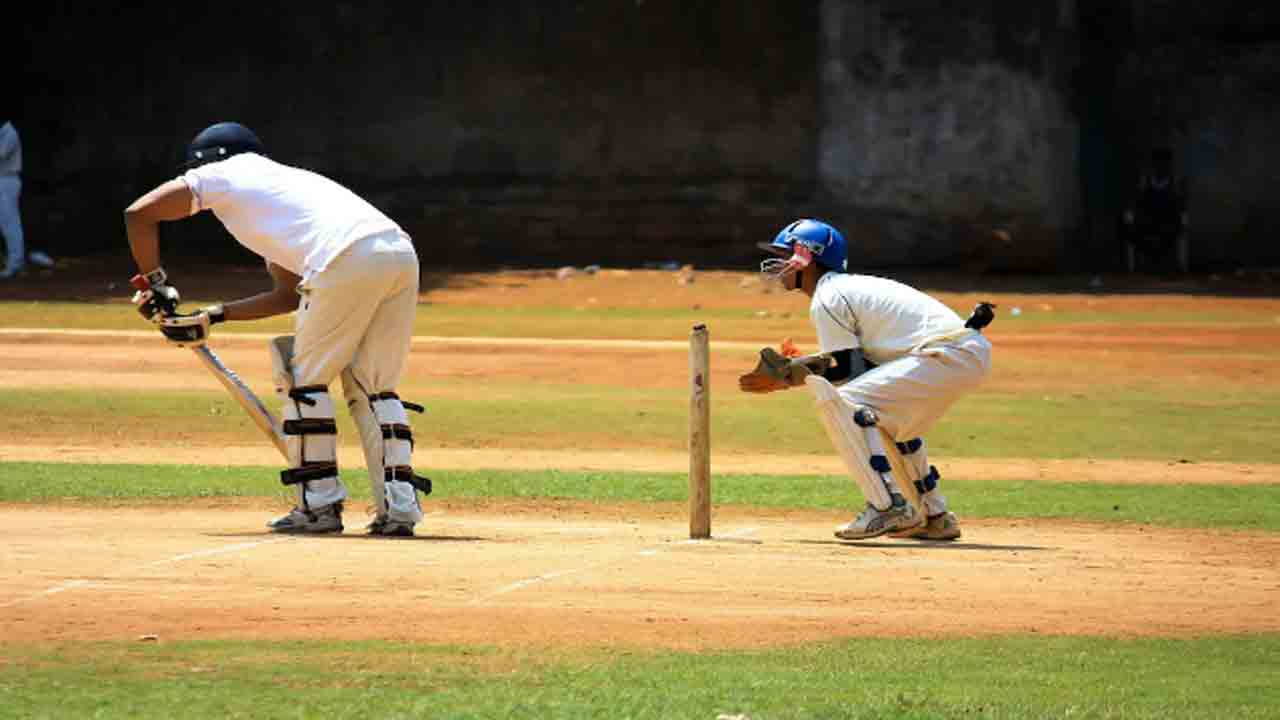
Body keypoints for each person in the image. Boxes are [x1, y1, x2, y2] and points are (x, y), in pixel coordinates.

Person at [123, 121, 430, 536]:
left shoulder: (224, 172)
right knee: (373, 386)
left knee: (305, 382)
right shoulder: (285, 191)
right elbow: (287, 294)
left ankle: (318, 507)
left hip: (344, 256)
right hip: (398, 253)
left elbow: (140, 214)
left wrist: (156, 284)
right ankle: (399, 509)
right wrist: (213, 315)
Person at [739, 219, 993, 541]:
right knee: (883, 415)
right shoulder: (845, 289)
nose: (778, 263)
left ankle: (886, 506)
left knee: (846, 402)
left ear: (806, 258)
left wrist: (788, 377)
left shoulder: (829, 296)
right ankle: (934, 516)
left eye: (784, 254)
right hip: (959, 354)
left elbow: (846, 372)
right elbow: (861, 367)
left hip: (947, 354)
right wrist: (795, 369)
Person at [0, 119, 55, 279]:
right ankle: (15, 262)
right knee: (6, 224)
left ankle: (15, 264)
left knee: (9, 223)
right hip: (3, 180)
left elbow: (1, 154)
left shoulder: (9, 133)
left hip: (7, 180)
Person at [1121, 147, 1189, 273]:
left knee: (1179, 231)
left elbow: (1182, 206)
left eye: (1165, 164)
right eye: (1158, 163)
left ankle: (1181, 268)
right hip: (1148, 222)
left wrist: (1183, 220)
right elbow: (1134, 201)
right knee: (1129, 229)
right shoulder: (1145, 181)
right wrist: (1129, 217)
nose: (1161, 167)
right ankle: (1131, 269)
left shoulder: (1175, 183)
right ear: (1153, 165)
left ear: (1169, 165)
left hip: (1168, 223)